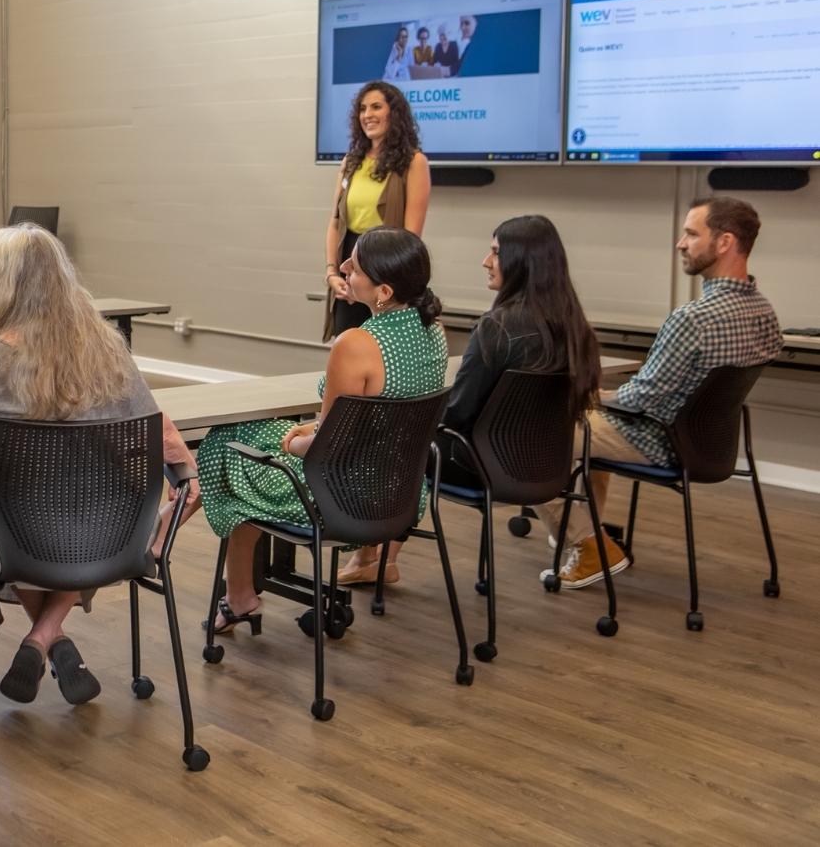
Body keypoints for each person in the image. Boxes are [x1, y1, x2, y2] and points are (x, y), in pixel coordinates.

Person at [0, 223, 197, 705]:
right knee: (43, 519)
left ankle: (41, 638)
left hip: (17, 532)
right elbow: (150, 418)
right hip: (105, 529)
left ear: (0, 285)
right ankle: (53, 640)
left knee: (1, 513)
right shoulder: (106, 349)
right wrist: (184, 470)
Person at [198, 227, 447, 624]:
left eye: (356, 266)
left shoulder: (356, 344)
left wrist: (293, 441)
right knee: (241, 452)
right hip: (400, 492)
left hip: (342, 497)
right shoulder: (432, 330)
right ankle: (236, 588)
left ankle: (238, 594)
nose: (344, 267)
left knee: (224, 445)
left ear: (383, 292)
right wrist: (310, 433)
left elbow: (324, 452)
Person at [536, 196, 784, 588]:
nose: (680, 243)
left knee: (539, 436)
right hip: (715, 446)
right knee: (585, 428)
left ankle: (588, 546)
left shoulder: (692, 319)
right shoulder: (766, 314)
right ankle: (586, 534)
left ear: (724, 243)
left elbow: (640, 400)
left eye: (690, 234)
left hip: (662, 441)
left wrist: (594, 396)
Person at [435, 216, 602, 576]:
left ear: (522, 261)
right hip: (549, 468)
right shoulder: (577, 330)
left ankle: (371, 560)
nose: (485, 260)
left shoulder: (496, 328)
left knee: (397, 440)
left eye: (495, 252)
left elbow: (459, 415)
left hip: (481, 469)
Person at [323, 80, 431, 339]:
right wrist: (332, 274)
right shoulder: (351, 161)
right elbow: (336, 223)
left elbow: (410, 238)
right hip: (350, 270)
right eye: (362, 109)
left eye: (376, 107)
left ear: (394, 113)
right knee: (347, 348)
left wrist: (375, 284)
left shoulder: (414, 162)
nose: (367, 115)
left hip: (387, 273)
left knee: (382, 352)